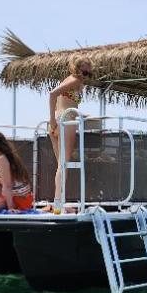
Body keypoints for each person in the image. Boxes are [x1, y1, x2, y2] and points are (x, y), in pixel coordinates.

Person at [48, 55, 94, 202]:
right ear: (77, 69)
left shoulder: (68, 80)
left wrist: (53, 120)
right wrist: (52, 119)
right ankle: (58, 203)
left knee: (61, 166)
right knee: (63, 165)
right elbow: (52, 94)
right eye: (84, 72)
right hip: (65, 121)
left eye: (89, 74)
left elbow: (64, 102)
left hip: (59, 119)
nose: (85, 76)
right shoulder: (75, 80)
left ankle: (58, 201)